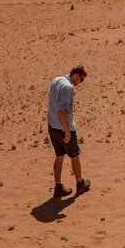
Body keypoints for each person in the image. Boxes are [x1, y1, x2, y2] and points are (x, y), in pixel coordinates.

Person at [47, 64, 90, 198]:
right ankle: (80, 184)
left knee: (59, 156)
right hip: (63, 128)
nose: (80, 83)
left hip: (52, 126)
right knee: (75, 155)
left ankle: (58, 187)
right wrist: (67, 131)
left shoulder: (56, 80)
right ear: (76, 75)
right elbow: (61, 111)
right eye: (81, 80)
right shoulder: (68, 87)